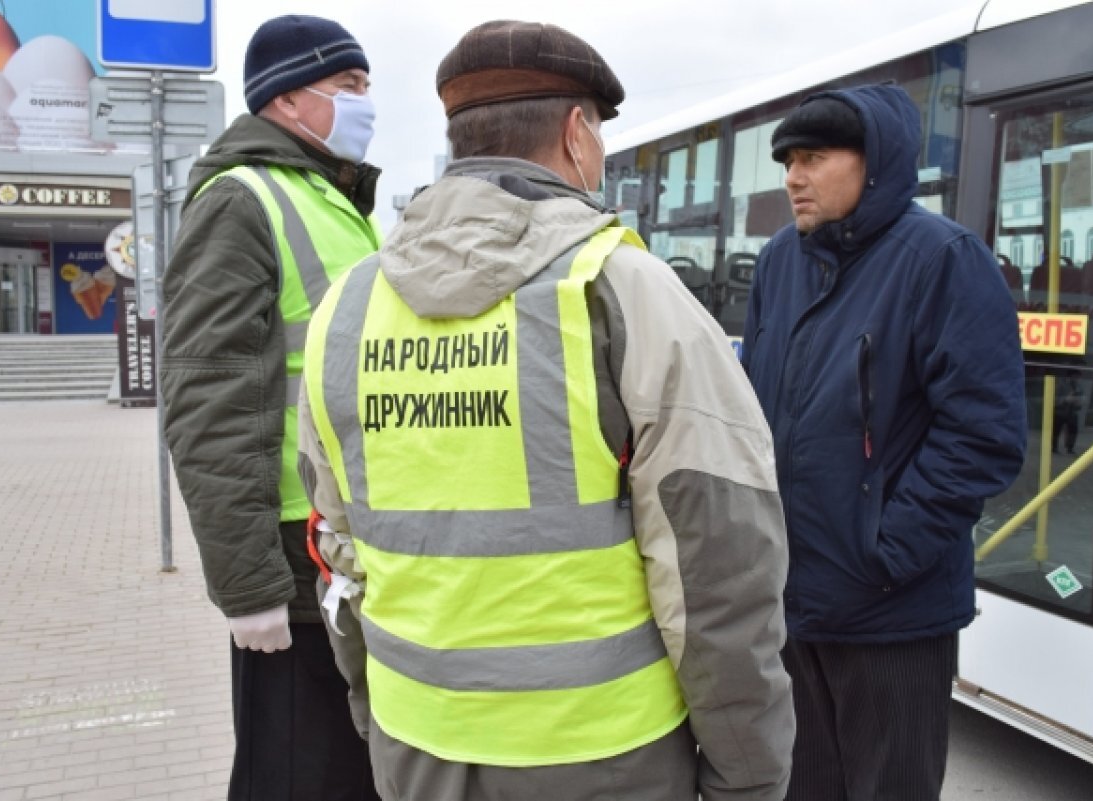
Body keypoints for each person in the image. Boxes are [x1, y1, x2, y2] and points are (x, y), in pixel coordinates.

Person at [297, 19, 794, 801]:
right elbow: (718, 563)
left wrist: (374, 707)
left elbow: (338, 553)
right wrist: (749, 771)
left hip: (417, 745)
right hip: (605, 754)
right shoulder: (622, 289)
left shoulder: (346, 309)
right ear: (574, 134)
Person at [740, 85, 1027, 801]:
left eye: (813, 158)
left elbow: (983, 436)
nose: (793, 178)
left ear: (875, 162)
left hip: (892, 610)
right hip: (792, 597)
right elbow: (756, 409)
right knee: (799, 785)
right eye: (787, 162)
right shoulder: (780, 260)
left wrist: (887, 552)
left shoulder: (944, 258)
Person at [160, 14, 382, 801]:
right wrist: (249, 586)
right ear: (287, 98)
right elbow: (206, 400)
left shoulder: (335, 198)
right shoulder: (241, 199)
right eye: (349, 86)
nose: (365, 103)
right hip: (291, 561)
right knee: (292, 773)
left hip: (342, 547)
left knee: (344, 771)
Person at [1054, 369, 1083, 454]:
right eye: (1076, 377)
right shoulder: (1061, 385)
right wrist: (1065, 400)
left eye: (1078, 378)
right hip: (1060, 412)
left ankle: (1070, 447)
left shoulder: (1078, 387)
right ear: (1071, 376)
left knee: (1073, 430)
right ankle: (1054, 447)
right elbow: (1054, 399)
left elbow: (1081, 398)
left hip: (1072, 412)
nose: (1077, 379)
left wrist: (1079, 402)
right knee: (1056, 430)